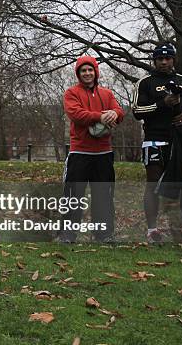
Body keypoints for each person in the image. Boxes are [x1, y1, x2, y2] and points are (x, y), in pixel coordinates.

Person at [132, 42, 182, 245]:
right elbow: (137, 111)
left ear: (173, 59)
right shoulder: (145, 83)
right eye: (160, 59)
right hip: (155, 140)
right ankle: (152, 231)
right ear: (154, 60)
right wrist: (162, 103)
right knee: (153, 185)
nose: (164, 62)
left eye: (168, 58)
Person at [60, 55, 124, 243]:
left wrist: (114, 113)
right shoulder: (71, 93)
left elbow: (120, 112)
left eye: (90, 70)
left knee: (103, 196)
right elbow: (76, 114)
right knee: (74, 195)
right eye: (83, 70)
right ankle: (68, 234)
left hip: (104, 153)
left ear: (96, 72)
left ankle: (103, 234)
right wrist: (100, 117)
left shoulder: (107, 94)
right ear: (78, 74)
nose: (87, 73)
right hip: (80, 152)